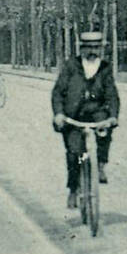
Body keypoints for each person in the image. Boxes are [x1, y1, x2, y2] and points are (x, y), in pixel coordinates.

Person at [52, 31, 120, 208]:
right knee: (75, 154)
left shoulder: (105, 68)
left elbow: (112, 94)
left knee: (105, 132)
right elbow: (58, 92)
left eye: (96, 47)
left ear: (100, 49)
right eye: (88, 47)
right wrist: (59, 113)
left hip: (96, 113)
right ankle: (73, 190)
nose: (92, 51)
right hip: (73, 116)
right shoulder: (71, 66)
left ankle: (101, 164)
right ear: (81, 48)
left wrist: (113, 115)